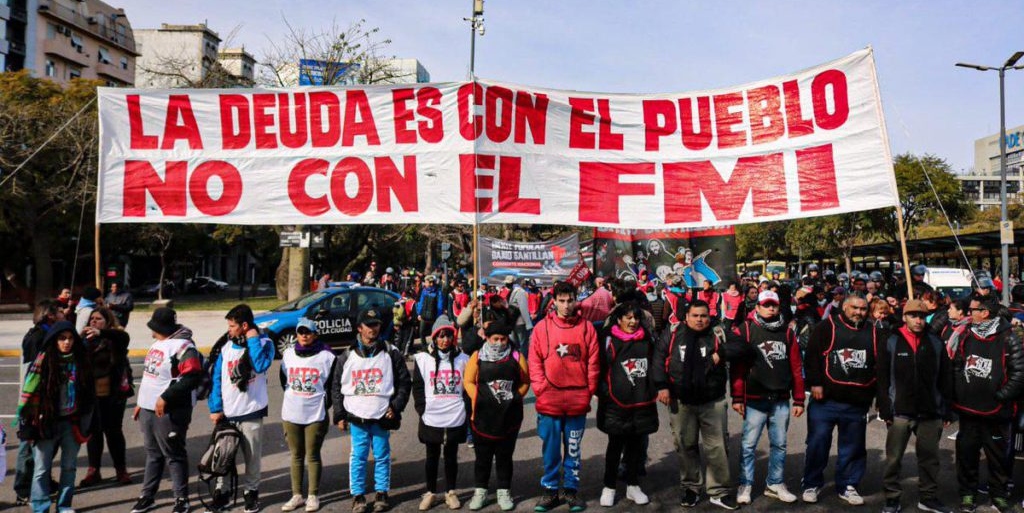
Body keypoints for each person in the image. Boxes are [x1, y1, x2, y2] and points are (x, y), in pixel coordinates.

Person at [653, 300, 739, 510]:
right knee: (685, 445)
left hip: (712, 400)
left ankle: (718, 491)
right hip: (681, 401)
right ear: (687, 317)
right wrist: (662, 385)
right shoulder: (673, 332)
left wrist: (723, 352)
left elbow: (744, 347)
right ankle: (691, 487)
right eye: (695, 315)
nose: (700, 320)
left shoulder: (718, 331)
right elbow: (658, 358)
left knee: (717, 447)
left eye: (703, 316)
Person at [876, 300, 954, 513]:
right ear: (904, 317)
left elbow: (946, 377)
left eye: (922, 316)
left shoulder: (936, 342)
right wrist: (884, 408)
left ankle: (928, 497)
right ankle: (892, 498)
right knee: (893, 459)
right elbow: (882, 378)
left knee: (930, 459)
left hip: (931, 411)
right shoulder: (890, 340)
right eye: (913, 315)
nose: (918, 320)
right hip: (900, 410)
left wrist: (947, 408)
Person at [332, 309, 412, 513]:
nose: (373, 328)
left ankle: (381, 493)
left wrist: (396, 406)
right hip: (357, 416)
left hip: (382, 415)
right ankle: (358, 495)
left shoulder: (391, 352)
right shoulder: (347, 355)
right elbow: (336, 386)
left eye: (376, 324)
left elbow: (404, 382)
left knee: (382, 455)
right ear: (359, 328)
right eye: (369, 325)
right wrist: (339, 414)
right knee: (358, 456)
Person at [529, 282, 600, 512]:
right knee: (550, 450)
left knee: (572, 449)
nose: (566, 305)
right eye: (562, 300)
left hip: (577, 400)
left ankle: (571, 491)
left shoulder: (587, 327)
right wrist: (540, 388)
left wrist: (588, 390)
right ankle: (550, 491)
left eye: (570, 300)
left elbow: (593, 362)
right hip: (549, 400)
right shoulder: (542, 327)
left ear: (576, 300)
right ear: (554, 301)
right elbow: (534, 361)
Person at [949, 296, 1024, 513]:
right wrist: (959, 392)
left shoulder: (1009, 337)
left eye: (973, 310)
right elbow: (957, 365)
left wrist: (1001, 396)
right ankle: (968, 494)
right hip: (969, 410)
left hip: (997, 413)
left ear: (986, 313)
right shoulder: (965, 335)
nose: (968, 313)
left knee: (998, 457)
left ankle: (998, 495)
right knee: (967, 455)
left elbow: (1019, 374)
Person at [801, 294, 878, 506]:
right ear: (844, 307)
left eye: (863, 309)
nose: (858, 312)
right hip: (826, 400)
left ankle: (848, 484)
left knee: (852, 447)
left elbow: (880, 364)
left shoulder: (873, 330)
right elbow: (812, 356)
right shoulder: (827, 326)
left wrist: (878, 396)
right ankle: (811, 482)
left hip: (856, 402)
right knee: (817, 443)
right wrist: (814, 383)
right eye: (854, 308)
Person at [730, 290, 805, 505]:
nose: (771, 308)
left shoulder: (787, 332)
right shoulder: (745, 330)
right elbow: (737, 368)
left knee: (779, 444)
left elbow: (796, 367)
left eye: (774, 305)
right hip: (754, 398)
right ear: (758, 307)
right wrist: (737, 396)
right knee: (748, 445)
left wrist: (799, 398)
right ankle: (745, 484)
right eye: (766, 305)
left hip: (780, 398)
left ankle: (775, 482)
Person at [131, 307, 204, 513]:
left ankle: (182, 499)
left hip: (171, 410)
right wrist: (141, 402)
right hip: (148, 408)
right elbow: (149, 376)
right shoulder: (158, 343)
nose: (150, 330)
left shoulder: (183, 347)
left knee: (174, 454)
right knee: (153, 454)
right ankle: (147, 496)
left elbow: (192, 377)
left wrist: (165, 398)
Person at [17, 321, 95, 513]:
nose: (67, 342)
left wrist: (89, 422)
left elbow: (90, 395)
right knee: (41, 469)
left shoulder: (81, 362)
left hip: (72, 423)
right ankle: (40, 506)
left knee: (69, 468)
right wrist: (29, 423)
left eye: (70, 338)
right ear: (54, 340)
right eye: (62, 338)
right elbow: (29, 395)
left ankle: (64, 505)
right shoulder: (42, 362)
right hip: (46, 423)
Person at [206, 304, 276, 513]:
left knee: (252, 458)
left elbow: (260, 364)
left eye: (233, 326)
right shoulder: (226, 347)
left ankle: (251, 494)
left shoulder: (264, 342)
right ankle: (222, 494)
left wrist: (253, 338)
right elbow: (217, 378)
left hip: (251, 412)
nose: (229, 330)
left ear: (245, 325)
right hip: (227, 414)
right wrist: (215, 408)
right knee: (223, 457)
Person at [596, 302, 658, 507]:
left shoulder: (647, 338)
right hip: (616, 403)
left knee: (636, 447)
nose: (633, 322)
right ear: (619, 319)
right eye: (628, 317)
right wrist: (604, 393)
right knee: (615, 446)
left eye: (636, 318)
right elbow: (599, 367)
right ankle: (609, 486)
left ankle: (633, 485)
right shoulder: (607, 338)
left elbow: (655, 364)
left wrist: (654, 389)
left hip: (641, 401)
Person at [463, 321, 529, 511]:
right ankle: (481, 491)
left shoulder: (516, 356)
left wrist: (516, 397)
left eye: (503, 339)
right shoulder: (477, 357)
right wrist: (478, 398)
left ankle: (504, 491)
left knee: (504, 457)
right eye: (495, 339)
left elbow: (525, 380)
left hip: (509, 417)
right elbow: (468, 381)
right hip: (482, 417)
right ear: (487, 338)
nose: (499, 343)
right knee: (482, 458)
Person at [279, 318, 336, 513]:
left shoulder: (327, 356)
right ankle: (296, 495)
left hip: (315, 413)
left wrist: (323, 403)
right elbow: (283, 380)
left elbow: (332, 386)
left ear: (315, 334)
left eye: (308, 332)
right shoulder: (288, 354)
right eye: (300, 332)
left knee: (312, 455)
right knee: (296, 455)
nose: (304, 335)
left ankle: (313, 494)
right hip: (291, 412)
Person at [413, 321, 469, 511]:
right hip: (431, 416)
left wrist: (467, 409)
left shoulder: (464, 359)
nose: (445, 340)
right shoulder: (423, 359)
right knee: (432, 456)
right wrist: (422, 408)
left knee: (451, 455)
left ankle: (450, 492)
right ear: (434, 338)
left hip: (455, 415)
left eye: (448, 335)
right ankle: (430, 492)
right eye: (441, 336)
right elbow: (418, 387)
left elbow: (469, 387)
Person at [14, 299, 65, 505]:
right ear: (50, 315)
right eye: (60, 311)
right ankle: (23, 489)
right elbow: (37, 374)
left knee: (44, 446)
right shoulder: (40, 337)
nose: (63, 313)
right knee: (28, 446)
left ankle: (41, 480)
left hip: (43, 401)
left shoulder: (41, 333)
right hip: (34, 401)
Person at [79, 306, 133, 488]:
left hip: (113, 394)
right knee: (94, 433)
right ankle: (93, 470)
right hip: (91, 395)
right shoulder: (85, 341)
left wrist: (102, 333)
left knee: (113, 431)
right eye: (92, 319)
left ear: (107, 322)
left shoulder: (114, 339)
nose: (93, 322)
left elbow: (123, 338)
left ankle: (121, 469)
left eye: (98, 319)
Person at [506, 277, 534, 354]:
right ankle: (522, 361)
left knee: (515, 344)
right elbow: (523, 308)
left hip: (513, 320)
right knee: (523, 344)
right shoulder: (520, 292)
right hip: (520, 322)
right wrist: (529, 324)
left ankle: (516, 360)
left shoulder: (512, 291)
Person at [417, 275, 446, 350]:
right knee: (421, 332)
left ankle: (433, 347)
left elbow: (440, 305)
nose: (424, 283)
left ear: (431, 283)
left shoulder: (438, 292)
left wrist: (438, 316)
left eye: (426, 282)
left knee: (433, 333)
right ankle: (424, 347)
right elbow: (421, 302)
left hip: (433, 317)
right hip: (423, 316)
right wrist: (419, 313)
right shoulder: (424, 291)